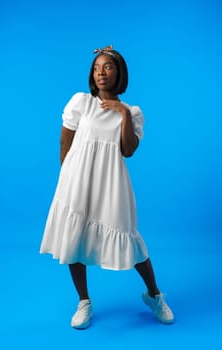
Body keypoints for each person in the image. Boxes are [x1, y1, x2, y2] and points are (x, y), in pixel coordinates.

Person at [40, 45, 174, 329]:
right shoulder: (81, 102)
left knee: (128, 236)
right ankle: (84, 301)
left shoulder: (133, 112)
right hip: (76, 180)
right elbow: (66, 142)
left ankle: (154, 295)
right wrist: (69, 176)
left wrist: (123, 113)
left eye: (108, 67)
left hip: (111, 183)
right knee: (74, 238)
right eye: (96, 68)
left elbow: (128, 150)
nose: (101, 73)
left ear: (119, 73)